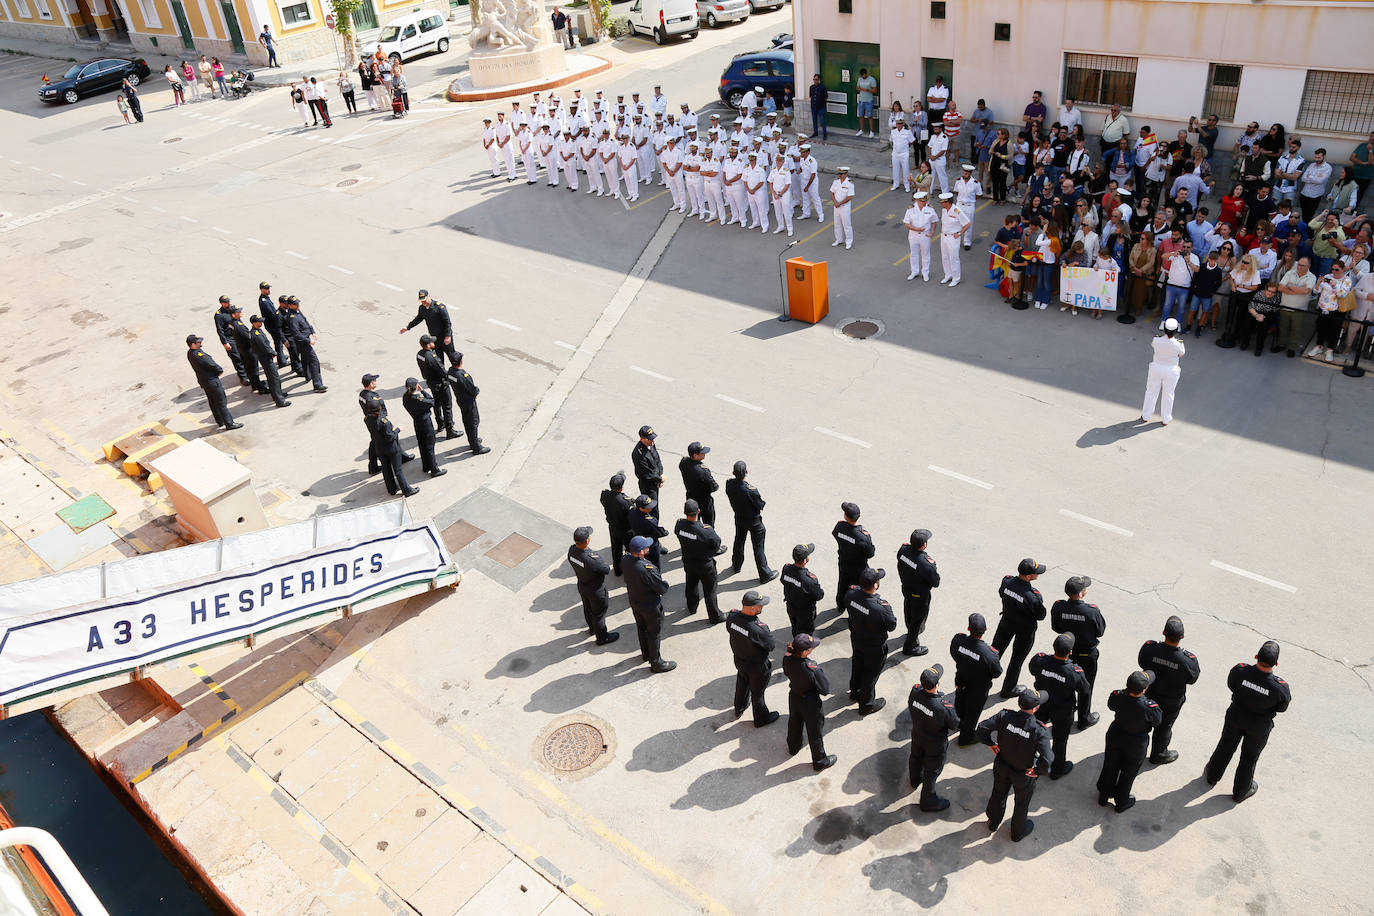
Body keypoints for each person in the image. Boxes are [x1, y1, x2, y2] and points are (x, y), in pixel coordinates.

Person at [1205, 640, 1290, 802]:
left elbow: (1231, 685)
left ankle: (1212, 776)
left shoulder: (1240, 671)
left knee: (1226, 745)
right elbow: (1282, 707)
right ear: (1276, 663)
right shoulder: (1280, 688)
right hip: (1259, 725)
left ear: (1256, 656)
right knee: (1249, 757)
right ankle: (1240, 792)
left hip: (1236, 716)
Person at [976, 688, 1053, 842]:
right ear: (1035, 708)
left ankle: (993, 822)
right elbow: (1047, 760)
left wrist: (990, 743)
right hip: (1024, 774)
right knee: (1021, 803)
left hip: (1002, 765)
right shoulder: (1039, 730)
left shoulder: (1004, 716)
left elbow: (982, 728)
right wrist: (1037, 771)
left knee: (998, 793)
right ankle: (1017, 833)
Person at [1094, 670, 1163, 812]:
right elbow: (1157, 722)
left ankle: (1104, 795)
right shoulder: (1149, 707)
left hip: (1116, 734)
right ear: (1144, 689)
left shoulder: (1117, 696)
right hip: (1136, 742)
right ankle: (1121, 801)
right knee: (1129, 771)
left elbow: (1111, 705)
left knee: (1110, 765)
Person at [1137, 615, 1201, 765]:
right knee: (1164, 727)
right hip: (1171, 700)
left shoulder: (1149, 648)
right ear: (1182, 637)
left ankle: (1136, 752)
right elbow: (1192, 680)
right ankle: (1159, 754)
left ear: (1163, 633)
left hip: (1149, 695)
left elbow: (1142, 663)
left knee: (1142, 723)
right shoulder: (1188, 661)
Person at [1029, 633, 1091, 779]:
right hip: (1062, 710)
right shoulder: (1074, 672)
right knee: (1060, 739)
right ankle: (1057, 769)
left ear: (1053, 647)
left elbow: (1032, 670)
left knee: (1034, 732)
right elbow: (1085, 691)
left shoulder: (1040, 660)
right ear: (1070, 652)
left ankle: (1029, 760)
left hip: (1041, 704)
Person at [1049, 575, 1104, 728]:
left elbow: (1056, 628)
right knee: (1086, 687)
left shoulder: (1058, 606)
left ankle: (1069, 708)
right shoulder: (1091, 611)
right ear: (1080, 594)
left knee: (1066, 681)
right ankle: (1084, 718)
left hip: (1067, 652)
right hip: (1087, 654)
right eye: (1084, 588)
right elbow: (1100, 631)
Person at [991, 558, 1047, 698]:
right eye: (1036, 572)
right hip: (1025, 630)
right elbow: (1041, 615)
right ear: (1029, 576)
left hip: (1007, 621)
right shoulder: (1033, 596)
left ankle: (981, 678)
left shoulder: (1007, 581)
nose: (1038, 574)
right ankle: (1008, 688)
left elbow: (1001, 593)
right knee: (1017, 659)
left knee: (995, 651)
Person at [845, 567, 896, 715]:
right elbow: (891, 626)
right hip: (874, 646)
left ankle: (854, 692)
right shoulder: (881, 608)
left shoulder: (851, 594)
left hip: (856, 638)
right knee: (871, 674)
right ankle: (866, 705)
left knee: (857, 664)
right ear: (875, 585)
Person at [908, 663, 959, 812]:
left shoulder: (915, 692)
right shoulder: (943, 706)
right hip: (935, 744)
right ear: (938, 684)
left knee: (915, 757)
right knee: (932, 771)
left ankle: (914, 779)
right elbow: (954, 724)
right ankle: (928, 800)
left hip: (917, 735)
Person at [621, 536, 675, 673]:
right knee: (653, 633)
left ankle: (646, 654)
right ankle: (656, 662)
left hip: (635, 601)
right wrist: (666, 584)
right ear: (640, 551)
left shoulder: (625, 560)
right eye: (646, 546)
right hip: (650, 606)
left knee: (641, 627)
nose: (648, 547)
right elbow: (662, 588)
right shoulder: (646, 568)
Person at [784, 634, 835, 771]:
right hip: (810, 702)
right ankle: (820, 761)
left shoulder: (787, 658)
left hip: (794, 696)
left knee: (794, 721)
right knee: (815, 731)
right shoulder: (812, 668)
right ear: (805, 652)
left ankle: (793, 747)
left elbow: (786, 672)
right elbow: (825, 689)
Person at [727, 591, 778, 726]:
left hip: (739, 660)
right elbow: (771, 646)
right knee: (757, 693)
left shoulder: (732, 617)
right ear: (753, 608)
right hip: (757, 667)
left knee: (742, 682)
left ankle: (739, 708)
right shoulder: (758, 629)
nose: (762, 607)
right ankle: (761, 718)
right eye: (760, 605)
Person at [950, 613, 1002, 746]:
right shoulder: (990, 654)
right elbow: (997, 673)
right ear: (985, 630)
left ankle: (959, 723)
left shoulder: (958, 640)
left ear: (968, 628)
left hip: (961, 679)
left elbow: (954, 654)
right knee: (972, 713)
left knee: (960, 702)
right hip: (978, 688)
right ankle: (966, 738)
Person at [725, 460, 774, 583]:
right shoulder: (750, 490)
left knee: (739, 541)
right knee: (758, 548)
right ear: (746, 472)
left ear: (733, 472)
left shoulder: (729, 484)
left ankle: (736, 565)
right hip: (754, 522)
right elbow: (760, 505)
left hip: (739, 518)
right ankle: (765, 574)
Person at [675, 499, 723, 623]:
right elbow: (716, 544)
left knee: (691, 584)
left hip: (688, 561)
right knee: (710, 590)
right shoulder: (706, 531)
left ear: (684, 513)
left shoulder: (679, 525)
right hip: (705, 565)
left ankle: (692, 607)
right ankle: (715, 616)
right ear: (699, 512)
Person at [568, 526, 617, 645]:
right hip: (596, 590)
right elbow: (606, 569)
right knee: (598, 614)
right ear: (587, 541)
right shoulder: (592, 559)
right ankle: (602, 638)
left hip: (582, 585)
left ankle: (592, 629)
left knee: (587, 608)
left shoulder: (571, 551)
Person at [894, 528, 939, 657]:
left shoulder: (903, 550)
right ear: (924, 545)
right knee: (918, 619)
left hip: (907, 588)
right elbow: (936, 582)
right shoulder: (926, 564)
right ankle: (911, 646)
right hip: (920, 594)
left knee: (908, 608)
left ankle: (911, 629)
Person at [185, 335, 239, 430]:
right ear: (193, 344)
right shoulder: (199, 355)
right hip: (212, 381)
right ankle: (229, 423)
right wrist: (219, 370)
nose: (200, 343)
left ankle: (220, 420)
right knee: (221, 401)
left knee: (213, 401)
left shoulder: (190, 353)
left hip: (204, 381)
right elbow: (211, 364)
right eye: (198, 342)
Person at [366, 402, 419, 497]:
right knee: (398, 470)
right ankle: (406, 490)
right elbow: (390, 437)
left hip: (379, 448)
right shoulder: (384, 422)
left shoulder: (367, 419)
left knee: (386, 469)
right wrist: (397, 429)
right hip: (391, 448)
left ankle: (392, 489)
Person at [1141, 317, 1185, 424]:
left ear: (1164, 329)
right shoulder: (1179, 343)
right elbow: (1181, 354)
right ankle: (1166, 418)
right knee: (1168, 394)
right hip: (1171, 370)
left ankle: (1146, 415)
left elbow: (1154, 346)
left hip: (1156, 367)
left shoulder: (1156, 339)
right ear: (1175, 331)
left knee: (1151, 391)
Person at [402, 378, 446, 478]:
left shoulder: (405, 397)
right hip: (425, 423)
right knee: (430, 445)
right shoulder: (418, 399)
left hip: (417, 422)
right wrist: (423, 391)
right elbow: (432, 401)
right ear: (416, 386)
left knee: (422, 445)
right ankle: (434, 469)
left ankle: (426, 466)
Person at [446, 353, 488, 455]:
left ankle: (473, 440)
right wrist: (476, 392)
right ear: (461, 362)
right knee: (473, 422)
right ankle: (476, 447)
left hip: (461, 400)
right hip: (468, 402)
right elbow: (472, 389)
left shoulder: (450, 372)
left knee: (467, 420)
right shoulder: (462, 375)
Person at [415, 336, 457, 438]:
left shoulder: (419, 354)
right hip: (440, 384)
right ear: (428, 345)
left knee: (437, 404)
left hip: (431, 382)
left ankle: (440, 424)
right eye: (432, 342)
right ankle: (450, 429)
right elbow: (442, 371)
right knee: (447, 406)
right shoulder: (431, 357)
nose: (434, 343)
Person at [780, 543, 825, 636]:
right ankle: (801, 648)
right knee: (805, 634)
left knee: (795, 626)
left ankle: (796, 638)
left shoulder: (786, 569)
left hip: (791, 606)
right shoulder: (809, 580)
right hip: (805, 612)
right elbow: (819, 595)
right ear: (805, 560)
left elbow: (783, 580)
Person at [1275, 256, 1317, 357]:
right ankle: (1281, 345)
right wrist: (1298, 290)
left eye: (1303, 265)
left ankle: (1291, 348)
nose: (1300, 267)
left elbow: (1306, 291)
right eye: (1299, 264)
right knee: (1283, 327)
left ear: (1309, 266)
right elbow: (1280, 287)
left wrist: (1290, 286)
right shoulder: (1290, 273)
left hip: (1299, 309)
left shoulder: (1312, 277)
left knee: (1296, 330)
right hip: (1285, 306)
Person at [247, 316, 289, 408]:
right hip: (266, 358)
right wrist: (273, 353)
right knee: (273, 378)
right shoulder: (256, 334)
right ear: (254, 323)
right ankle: (279, 400)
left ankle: (278, 394)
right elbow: (264, 347)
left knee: (273, 377)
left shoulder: (256, 331)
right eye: (259, 322)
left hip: (265, 357)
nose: (261, 323)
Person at [677, 441, 720, 528]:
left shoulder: (683, 463)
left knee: (693, 523)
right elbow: (714, 487)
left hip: (691, 497)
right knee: (708, 525)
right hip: (704, 501)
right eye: (702, 453)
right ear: (695, 455)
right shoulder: (702, 471)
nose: (704, 454)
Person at [227, 305, 264, 395]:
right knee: (254, 368)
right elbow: (248, 337)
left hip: (242, 348)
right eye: (238, 312)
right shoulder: (238, 325)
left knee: (249, 368)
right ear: (233, 315)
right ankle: (260, 388)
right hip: (248, 349)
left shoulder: (231, 323)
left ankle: (255, 385)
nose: (240, 313)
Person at [937, 193, 971, 287]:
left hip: (953, 237)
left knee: (953, 258)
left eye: (942, 202)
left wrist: (959, 233)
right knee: (945, 257)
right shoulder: (944, 210)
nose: (941, 204)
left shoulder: (957, 211)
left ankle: (956, 278)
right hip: (944, 236)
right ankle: (948, 275)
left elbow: (967, 223)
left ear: (947, 202)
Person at [903, 192, 937, 282]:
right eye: (923, 201)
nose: (925, 202)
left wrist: (932, 231)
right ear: (918, 200)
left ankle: (925, 273)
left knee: (925, 254)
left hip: (925, 235)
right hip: (913, 234)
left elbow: (934, 221)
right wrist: (916, 229)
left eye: (925, 200)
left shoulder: (930, 209)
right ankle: (914, 272)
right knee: (913, 254)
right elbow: (906, 223)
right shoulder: (911, 209)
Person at [630, 425, 664, 502]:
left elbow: (657, 458)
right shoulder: (638, 454)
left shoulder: (650, 444)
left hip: (656, 479)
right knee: (652, 507)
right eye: (649, 439)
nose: (652, 441)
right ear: (642, 439)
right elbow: (647, 473)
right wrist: (660, 479)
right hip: (648, 485)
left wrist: (661, 473)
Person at [768, 153, 794, 236]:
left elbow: (787, 185)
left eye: (780, 160)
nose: (778, 162)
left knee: (786, 212)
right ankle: (780, 226)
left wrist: (779, 194)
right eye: (777, 160)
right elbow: (770, 182)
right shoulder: (773, 170)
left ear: (783, 161)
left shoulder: (786, 171)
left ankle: (790, 228)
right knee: (778, 211)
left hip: (784, 194)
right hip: (775, 193)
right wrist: (774, 193)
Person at [830, 165, 855, 249]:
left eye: (841, 174)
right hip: (836, 206)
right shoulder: (836, 182)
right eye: (839, 174)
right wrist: (834, 202)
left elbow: (849, 197)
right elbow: (832, 192)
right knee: (837, 224)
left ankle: (848, 241)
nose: (839, 175)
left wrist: (839, 203)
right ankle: (839, 239)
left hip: (844, 207)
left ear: (846, 174)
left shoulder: (850, 183)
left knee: (846, 225)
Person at [890, 117, 914, 191]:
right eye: (898, 123)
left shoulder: (907, 132)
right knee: (895, 169)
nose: (899, 125)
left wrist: (906, 146)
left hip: (904, 153)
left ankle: (907, 185)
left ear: (903, 124)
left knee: (906, 170)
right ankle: (895, 184)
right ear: (896, 124)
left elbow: (912, 141)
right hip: (895, 153)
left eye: (900, 123)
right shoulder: (893, 132)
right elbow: (891, 140)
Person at [854, 68, 877, 138]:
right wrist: (860, 89)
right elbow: (857, 87)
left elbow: (875, 90)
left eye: (864, 75)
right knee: (861, 116)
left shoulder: (872, 79)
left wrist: (867, 90)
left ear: (866, 74)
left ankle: (871, 131)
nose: (863, 77)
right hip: (861, 100)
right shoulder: (859, 79)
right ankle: (861, 130)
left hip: (869, 100)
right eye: (862, 76)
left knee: (869, 116)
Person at [808, 74, 828, 141]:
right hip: (814, 107)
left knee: (822, 121)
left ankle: (824, 134)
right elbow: (811, 96)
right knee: (814, 120)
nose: (815, 81)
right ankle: (815, 132)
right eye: (814, 79)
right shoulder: (811, 87)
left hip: (821, 107)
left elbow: (826, 97)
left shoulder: (823, 87)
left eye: (816, 79)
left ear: (819, 80)